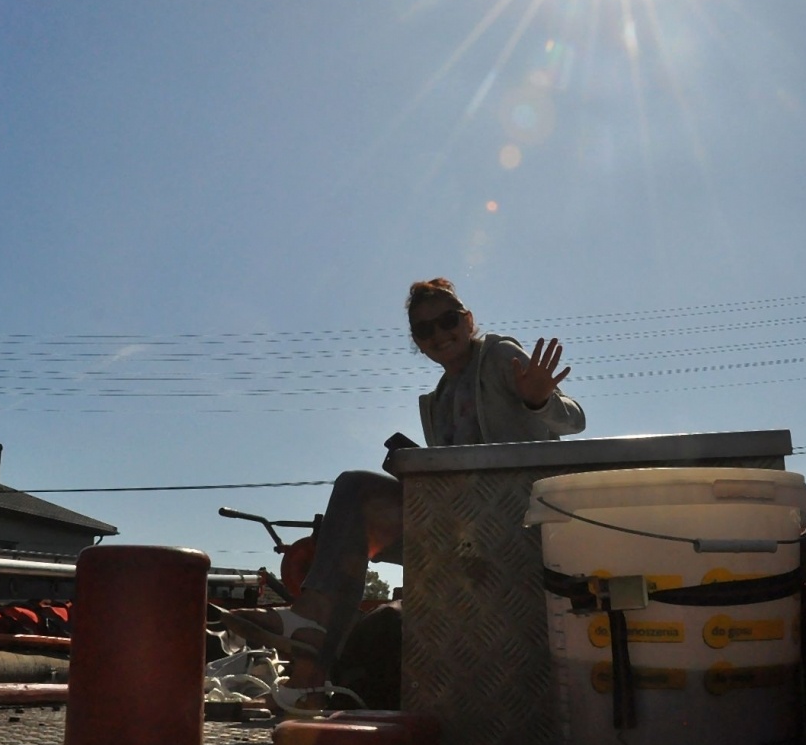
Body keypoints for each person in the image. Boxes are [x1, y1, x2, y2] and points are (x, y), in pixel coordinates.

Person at [219, 278, 584, 711]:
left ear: (467, 321)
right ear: (417, 342)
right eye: (423, 330)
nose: (438, 334)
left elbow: (574, 421)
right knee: (356, 493)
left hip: (515, 527)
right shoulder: (437, 400)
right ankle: (309, 677)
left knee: (358, 492)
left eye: (448, 320)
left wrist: (539, 401)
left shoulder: (501, 355)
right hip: (460, 532)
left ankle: (312, 646)